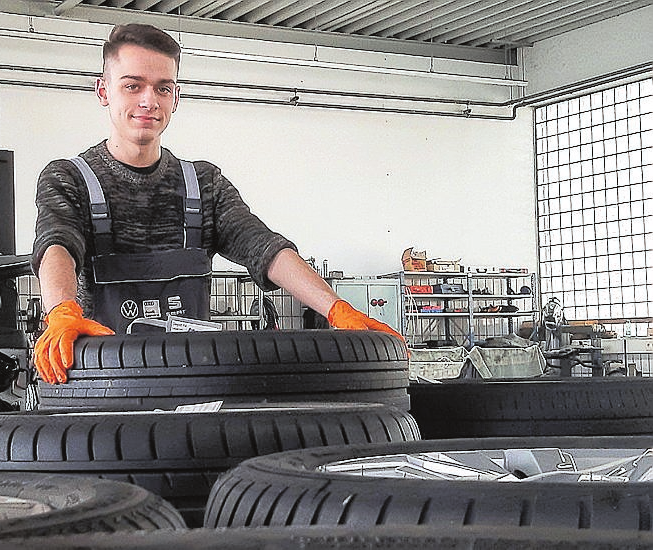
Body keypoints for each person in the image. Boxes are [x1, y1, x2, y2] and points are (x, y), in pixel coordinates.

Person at [32, 23, 403, 384]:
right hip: (101, 385)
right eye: (132, 86)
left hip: (191, 385)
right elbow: (57, 244)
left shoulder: (203, 185)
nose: (149, 100)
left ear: (176, 98)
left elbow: (264, 247)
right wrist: (62, 312)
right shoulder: (69, 179)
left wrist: (334, 307)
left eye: (163, 88)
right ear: (103, 91)